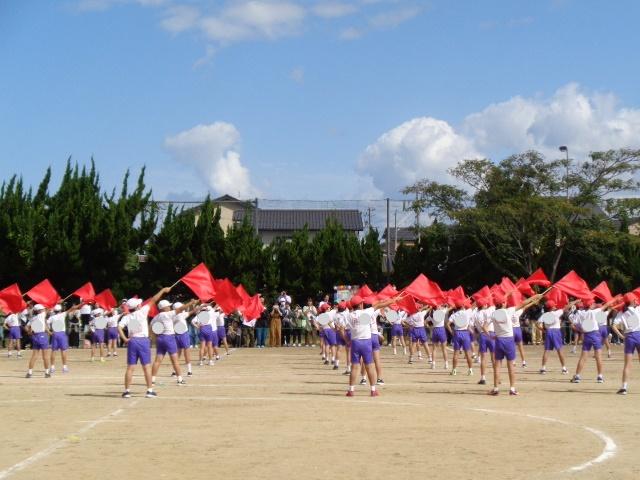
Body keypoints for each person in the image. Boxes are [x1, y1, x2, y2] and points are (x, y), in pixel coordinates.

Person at [118, 287, 171, 398]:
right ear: (138, 306)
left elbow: (119, 327)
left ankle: (127, 391)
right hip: (143, 341)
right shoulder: (142, 312)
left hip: (132, 341)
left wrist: (125, 339)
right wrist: (163, 290)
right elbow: (154, 299)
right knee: (146, 367)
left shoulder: (127, 317)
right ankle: (149, 390)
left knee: (130, 368)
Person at [345, 295, 396, 397]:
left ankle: (351, 390)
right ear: (360, 304)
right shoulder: (366, 312)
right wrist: (393, 300)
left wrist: (347, 341)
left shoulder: (349, 316)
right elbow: (380, 305)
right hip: (366, 342)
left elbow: (345, 328)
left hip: (355, 342)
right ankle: (373, 390)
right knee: (369, 366)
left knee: (354, 366)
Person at [150, 299, 190, 386]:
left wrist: (154, 336)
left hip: (160, 338)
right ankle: (179, 379)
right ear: (164, 308)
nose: (169, 307)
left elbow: (151, 326)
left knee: (157, 360)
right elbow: (181, 309)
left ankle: (152, 380)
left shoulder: (156, 317)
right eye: (168, 306)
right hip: (169, 338)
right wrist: (191, 303)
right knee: (175, 360)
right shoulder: (167, 314)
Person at [569, 298, 606, 384]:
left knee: (583, 357)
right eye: (593, 303)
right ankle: (600, 377)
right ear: (590, 305)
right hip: (595, 334)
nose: (594, 304)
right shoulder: (594, 312)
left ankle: (577, 376)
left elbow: (573, 324)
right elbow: (606, 306)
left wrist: (580, 330)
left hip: (587, 335)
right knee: (598, 357)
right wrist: (614, 299)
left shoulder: (580, 313)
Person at [612, 294, 640, 395]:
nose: (636, 300)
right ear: (632, 301)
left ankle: (624, 388)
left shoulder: (622, 312)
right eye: (635, 299)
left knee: (627, 365)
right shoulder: (638, 309)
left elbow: (613, 326)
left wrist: (621, 336)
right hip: (639, 335)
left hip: (629, 337)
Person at [537, 300, 568, 375]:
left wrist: (543, 330)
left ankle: (543, 368)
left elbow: (537, 323)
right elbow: (566, 307)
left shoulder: (544, 315)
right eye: (554, 305)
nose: (555, 306)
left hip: (548, 331)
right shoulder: (556, 313)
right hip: (556, 331)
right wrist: (576, 301)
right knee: (559, 350)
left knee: (547, 350)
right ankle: (564, 368)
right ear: (551, 307)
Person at [48, 303, 81, 374]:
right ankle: (64, 367)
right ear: (60, 310)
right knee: (63, 351)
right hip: (62, 334)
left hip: (55, 334)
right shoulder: (62, 314)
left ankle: (52, 367)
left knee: (53, 351)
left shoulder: (52, 317)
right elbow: (72, 308)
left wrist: (49, 332)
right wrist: (80, 304)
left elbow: (46, 323)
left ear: (54, 311)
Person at [446, 301, 474, 376]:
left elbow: (447, 324)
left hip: (457, 333)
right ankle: (470, 370)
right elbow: (472, 307)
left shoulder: (454, 314)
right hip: (465, 333)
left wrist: (452, 332)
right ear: (462, 306)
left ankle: (454, 370)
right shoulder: (467, 313)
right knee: (468, 353)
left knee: (456, 353)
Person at [25, 304, 52, 378]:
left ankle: (29, 372)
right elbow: (49, 308)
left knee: (34, 356)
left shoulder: (33, 318)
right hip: (42, 335)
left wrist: (29, 332)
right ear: (39, 311)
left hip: (35, 336)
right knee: (45, 356)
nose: (44, 310)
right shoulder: (41, 315)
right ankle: (47, 372)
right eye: (42, 309)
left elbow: (26, 327)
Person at [172, 301, 194, 376]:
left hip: (176, 335)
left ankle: (174, 371)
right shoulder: (181, 315)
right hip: (183, 335)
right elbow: (192, 311)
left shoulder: (172, 315)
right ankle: (189, 371)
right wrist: (195, 304)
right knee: (186, 353)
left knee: (177, 354)